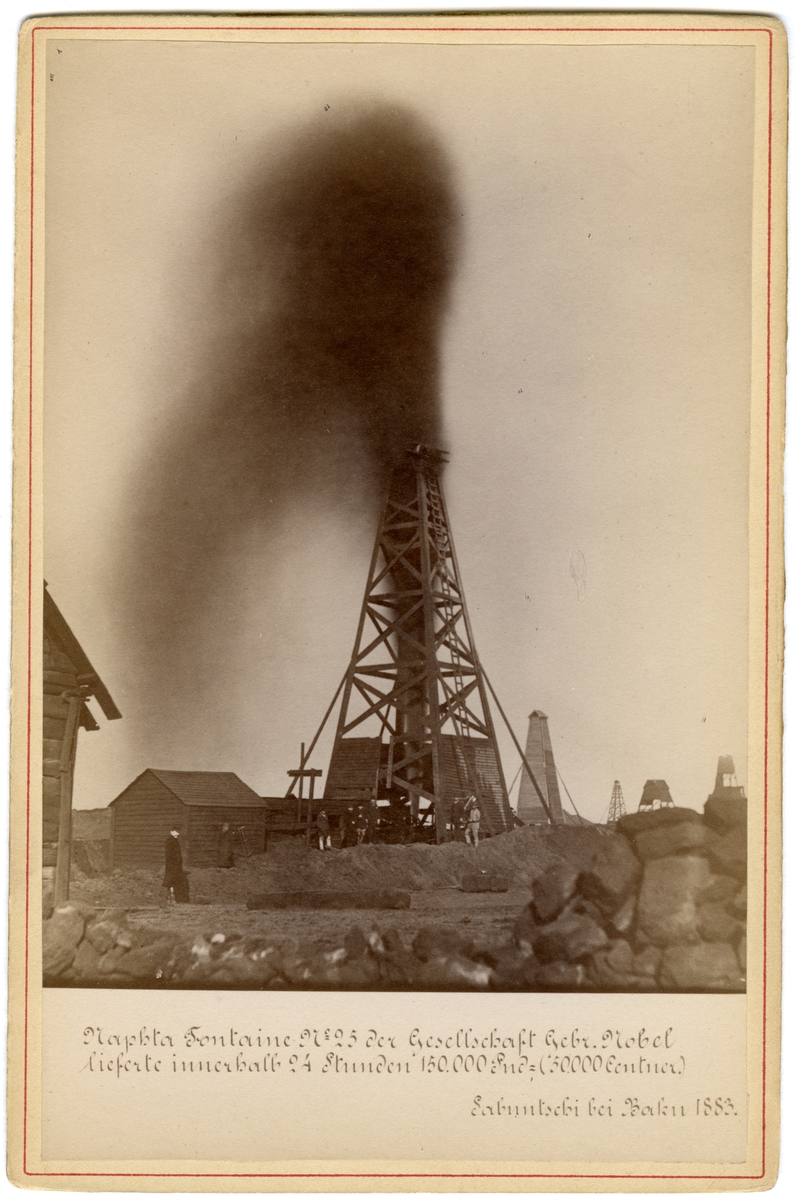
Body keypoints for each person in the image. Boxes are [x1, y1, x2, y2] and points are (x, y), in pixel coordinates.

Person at [163, 827, 189, 904]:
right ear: (172, 831)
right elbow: (169, 855)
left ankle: (175, 898)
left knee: (175, 880)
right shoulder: (170, 841)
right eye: (176, 832)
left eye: (178, 832)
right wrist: (174, 862)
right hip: (172, 865)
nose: (178, 834)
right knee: (171, 881)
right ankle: (171, 898)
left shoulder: (174, 840)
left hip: (176, 865)